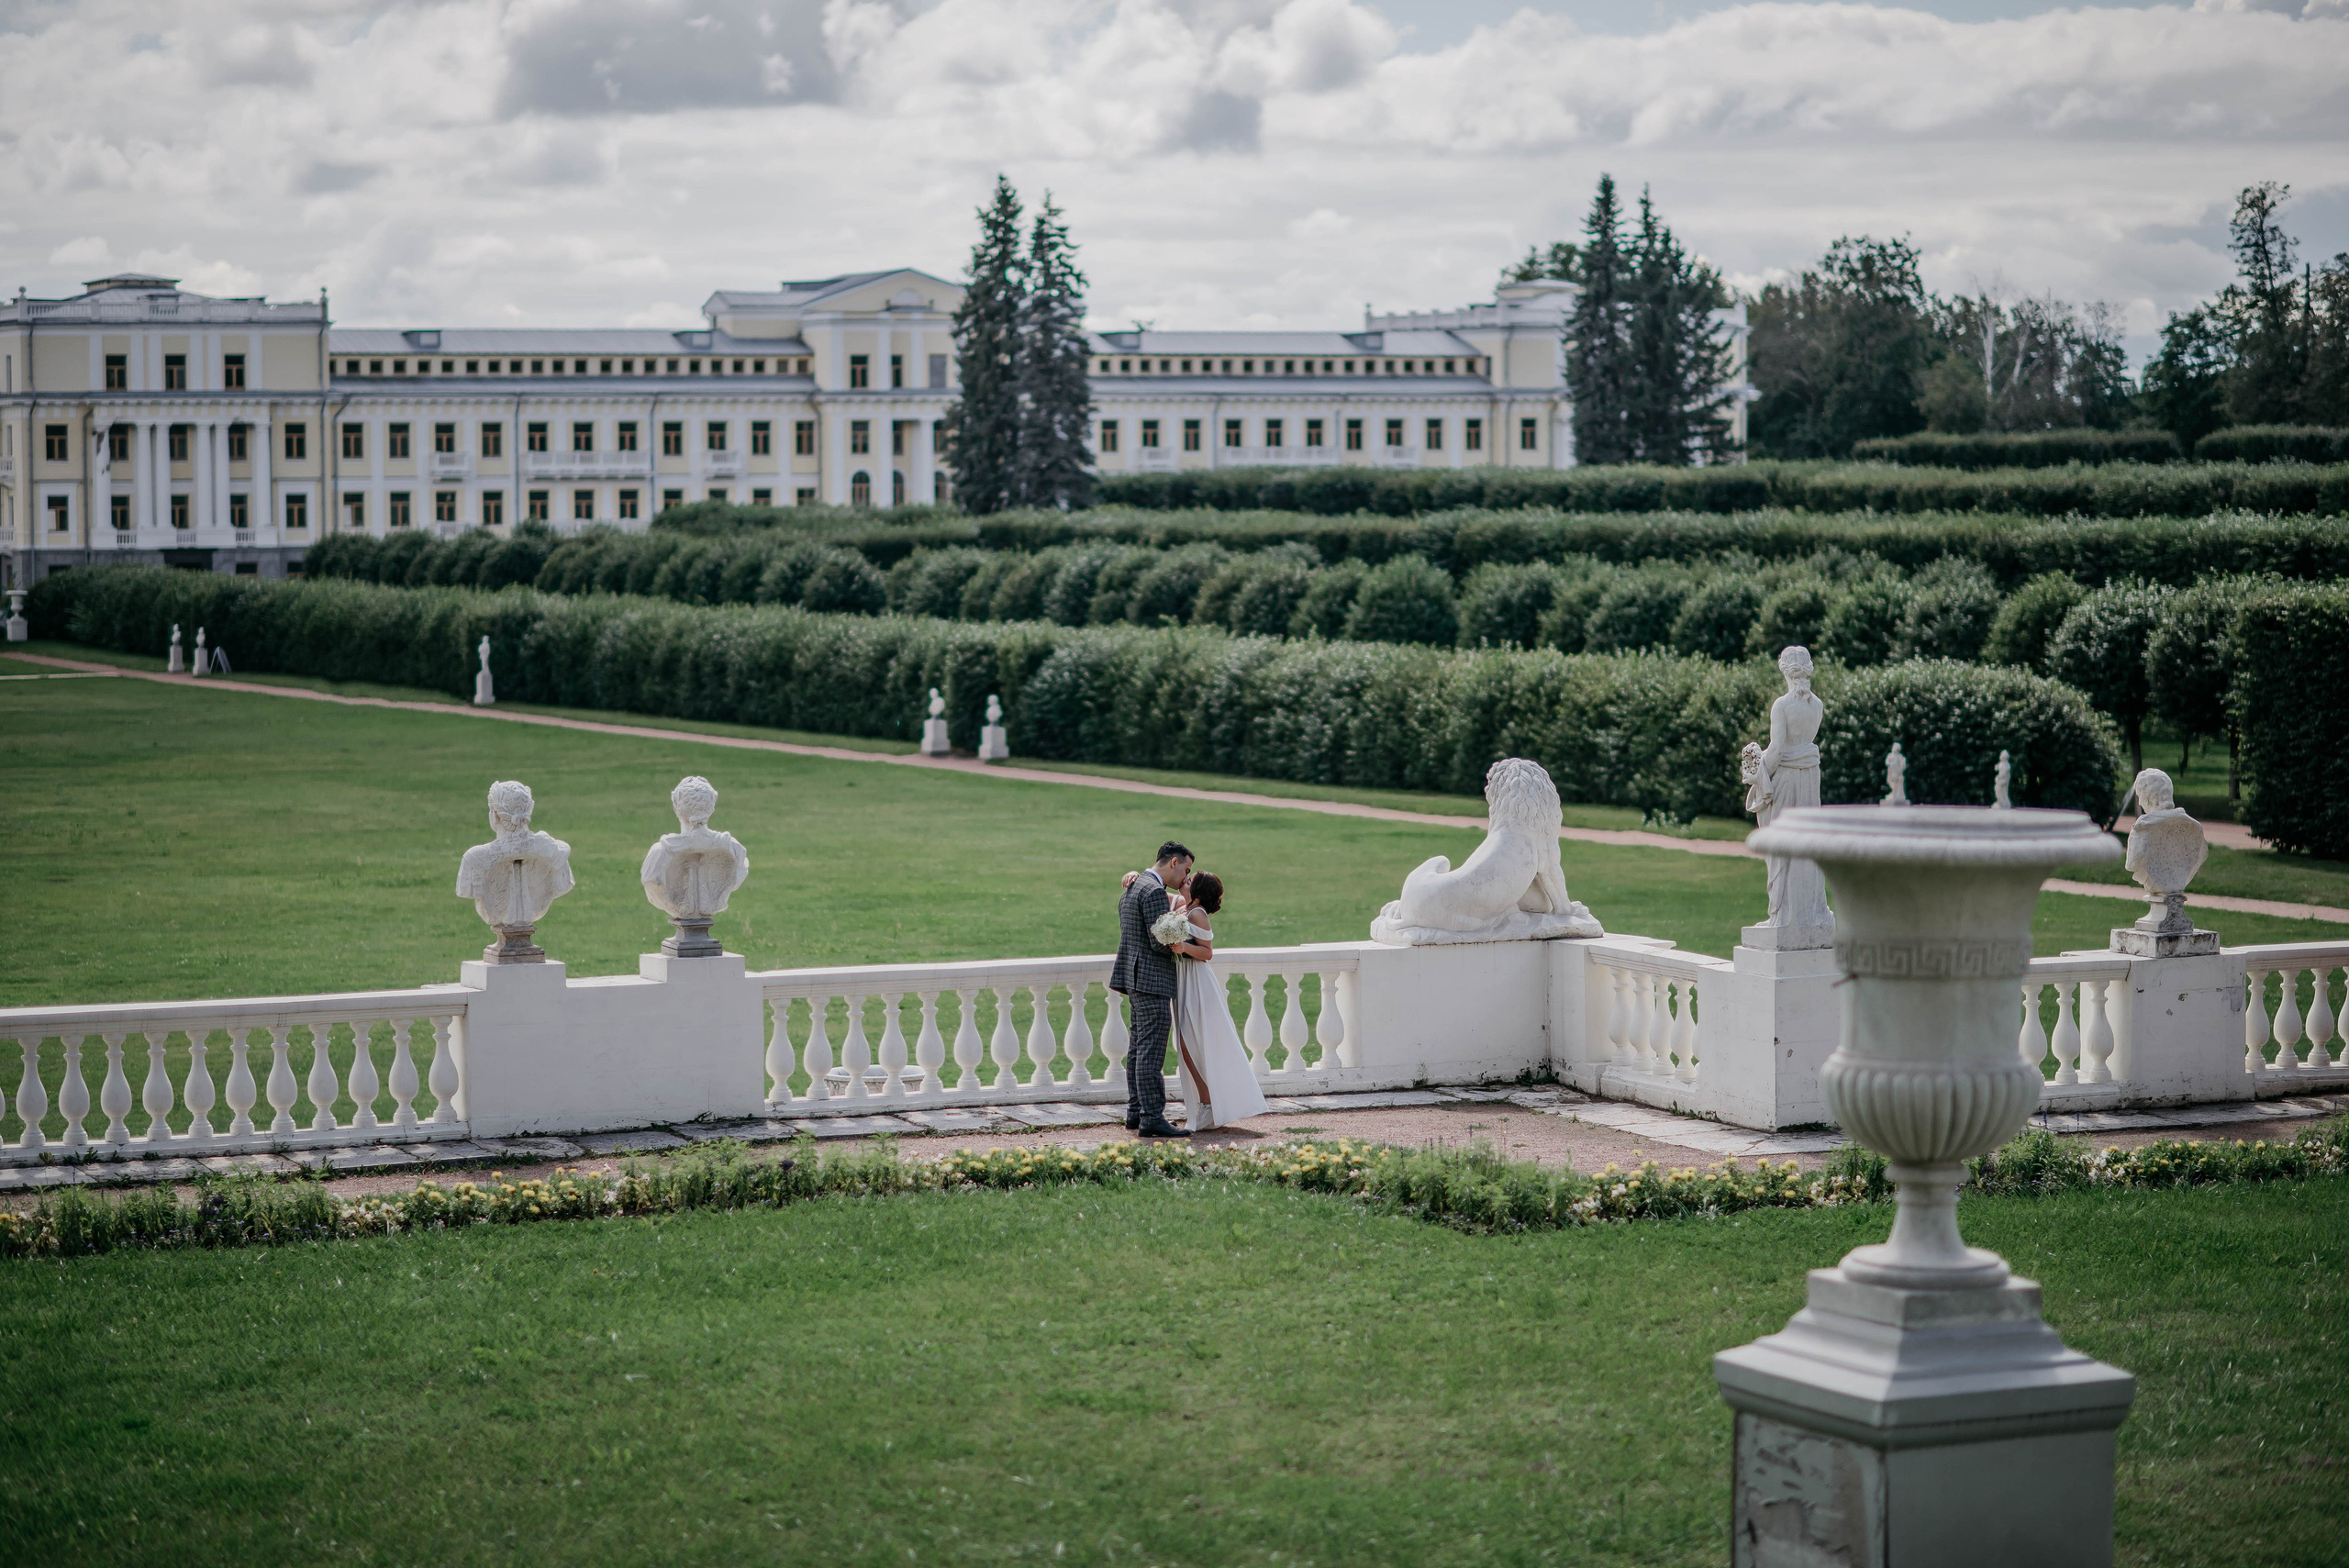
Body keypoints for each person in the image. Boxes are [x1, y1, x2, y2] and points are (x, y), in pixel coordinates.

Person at [1162, 873, 1269, 1133]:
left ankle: (1209, 1103)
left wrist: (1182, 948)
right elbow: (1156, 889)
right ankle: (1206, 1103)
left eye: (1190, 880)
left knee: (1192, 1043)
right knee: (1186, 1044)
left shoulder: (1197, 913)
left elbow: (1207, 952)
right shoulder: (1183, 906)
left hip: (1196, 982)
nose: (1184, 879)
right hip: (1184, 979)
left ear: (1197, 893)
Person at [1108, 840, 1192, 1138]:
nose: (1185, 877)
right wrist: (1186, 923)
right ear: (1173, 862)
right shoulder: (1154, 891)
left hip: (1134, 978)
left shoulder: (1134, 887)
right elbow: (1160, 942)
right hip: (1151, 979)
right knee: (1150, 1052)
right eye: (1186, 869)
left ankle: (1135, 1111)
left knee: (1138, 1049)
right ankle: (1152, 1117)